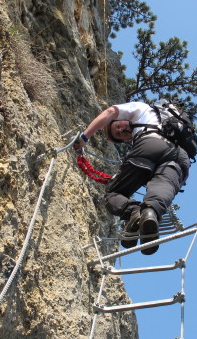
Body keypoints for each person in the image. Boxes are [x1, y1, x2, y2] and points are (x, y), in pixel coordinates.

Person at [73, 101, 190, 255]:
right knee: (163, 185)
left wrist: (84, 137)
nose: (121, 130)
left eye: (117, 126)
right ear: (127, 140)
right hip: (180, 156)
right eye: (119, 134)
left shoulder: (141, 108)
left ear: (123, 118)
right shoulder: (163, 120)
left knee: (113, 194)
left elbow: (110, 111)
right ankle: (150, 212)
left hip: (150, 144)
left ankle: (134, 213)